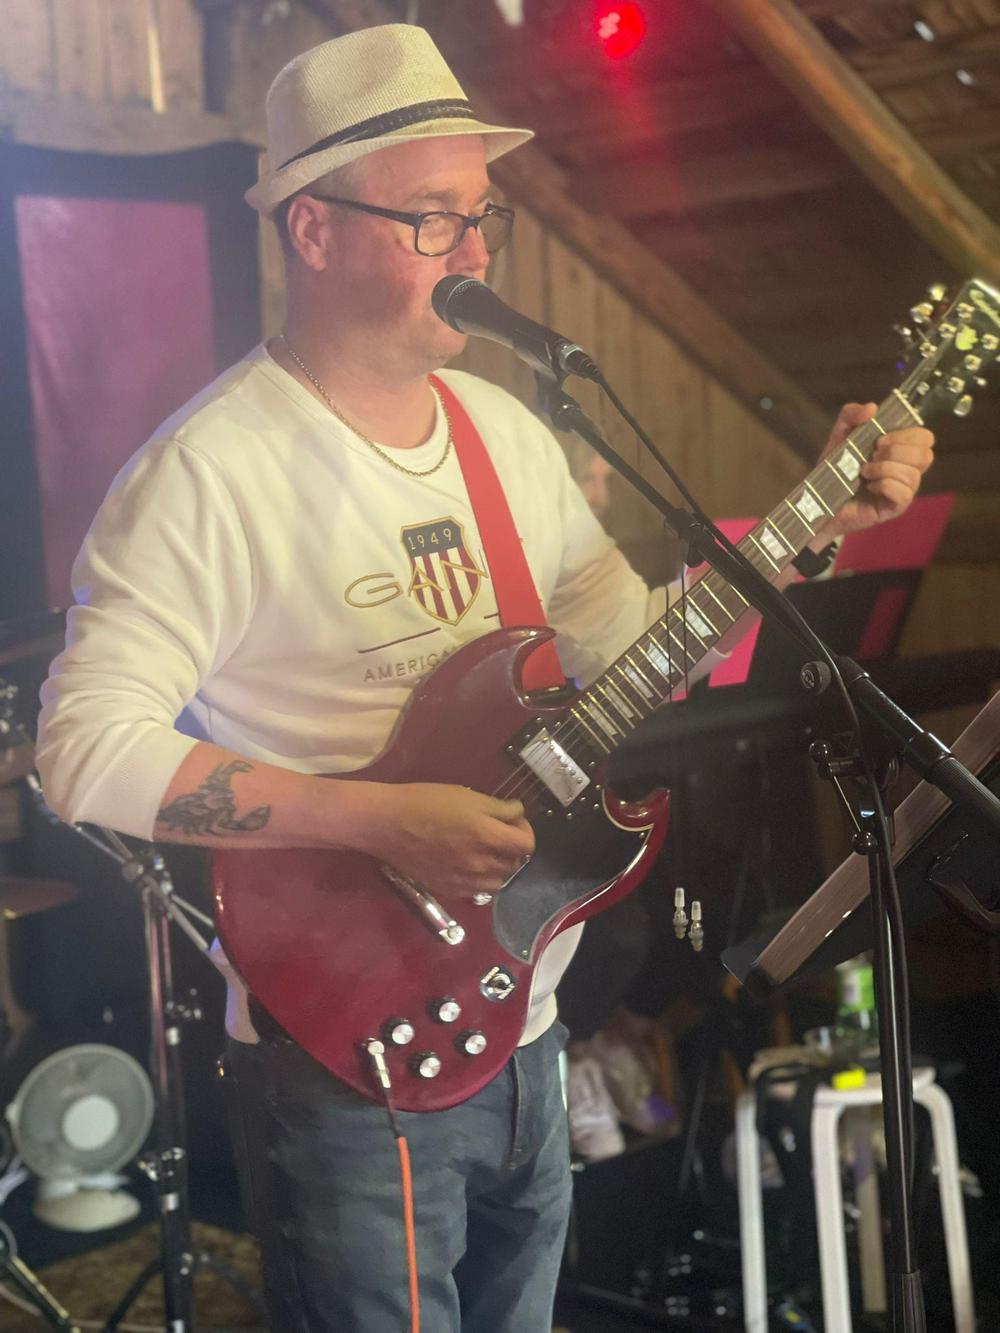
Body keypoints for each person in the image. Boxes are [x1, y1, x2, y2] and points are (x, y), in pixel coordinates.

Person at [35, 24, 935, 1333]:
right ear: (312, 228)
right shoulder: (208, 474)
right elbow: (82, 749)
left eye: (483, 216)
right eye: (432, 217)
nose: (473, 253)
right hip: (346, 1054)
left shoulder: (507, 437)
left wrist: (815, 526)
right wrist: (380, 817)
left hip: (525, 1015)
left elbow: (635, 650)